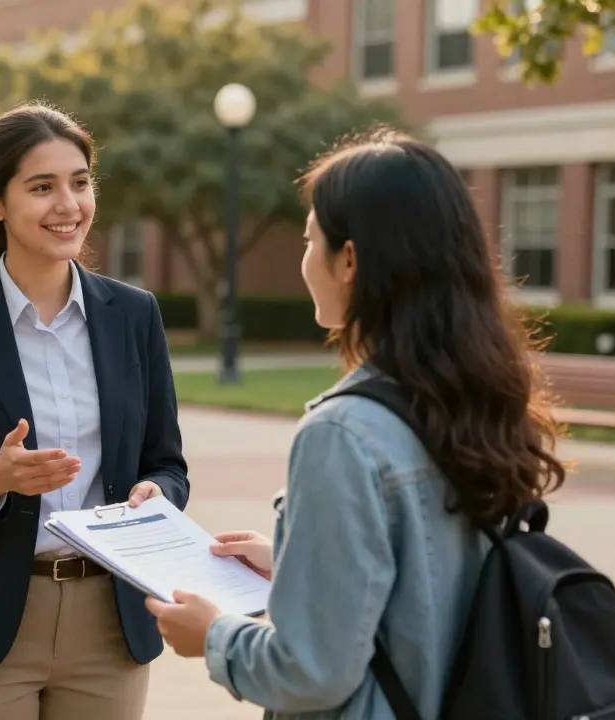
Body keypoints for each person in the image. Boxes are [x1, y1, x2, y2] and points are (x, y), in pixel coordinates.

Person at [145, 129, 566, 718]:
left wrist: (213, 635)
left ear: (349, 260)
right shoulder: (477, 398)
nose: (305, 258)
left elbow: (312, 671)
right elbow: (431, 576)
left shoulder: (341, 434)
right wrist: (298, 557)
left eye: (310, 239)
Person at [0, 102, 190, 720]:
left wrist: (154, 494)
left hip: (111, 625)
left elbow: (168, 465)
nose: (69, 204)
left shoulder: (135, 316)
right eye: (42, 187)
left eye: (80, 182)